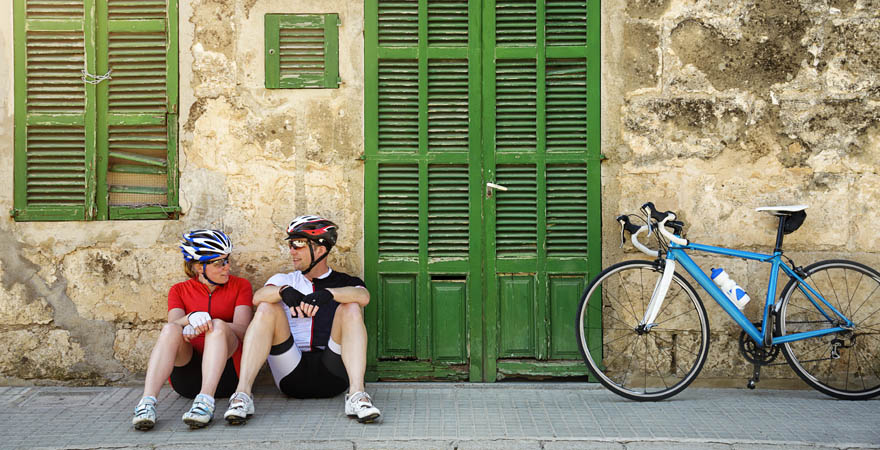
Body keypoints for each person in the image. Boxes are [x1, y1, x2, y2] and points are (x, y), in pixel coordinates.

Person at [223, 215, 381, 424]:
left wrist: (330, 294)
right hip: (291, 372)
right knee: (266, 308)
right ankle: (242, 395)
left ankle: (357, 395)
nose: (291, 251)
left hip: (333, 374)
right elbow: (258, 297)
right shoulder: (284, 280)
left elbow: (363, 297)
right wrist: (284, 292)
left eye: (298, 244)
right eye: (290, 244)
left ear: (320, 249)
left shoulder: (345, 282)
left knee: (351, 306)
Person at [132, 230, 254, 430]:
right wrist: (190, 319)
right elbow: (173, 325)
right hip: (187, 379)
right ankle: (146, 403)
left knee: (218, 326)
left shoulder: (241, 286)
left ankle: (205, 402)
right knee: (171, 330)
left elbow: (242, 330)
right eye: (219, 263)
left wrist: (209, 323)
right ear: (199, 267)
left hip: (228, 375)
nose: (227, 267)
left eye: (227, 260)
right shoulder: (179, 290)